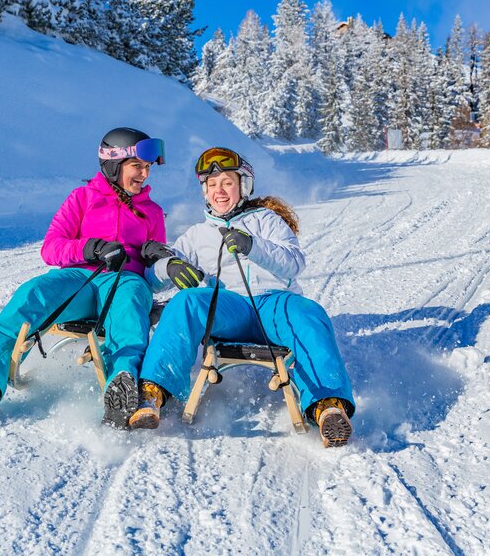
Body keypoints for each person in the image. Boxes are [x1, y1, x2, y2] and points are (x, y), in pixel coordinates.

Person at [130, 147, 355, 447]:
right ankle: (153, 394)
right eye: (211, 185)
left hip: (274, 303)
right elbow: (153, 280)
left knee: (307, 313)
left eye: (226, 182)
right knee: (185, 302)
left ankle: (328, 406)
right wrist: (167, 266)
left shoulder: (267, 220)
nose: (218, 191)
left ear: (243, 185)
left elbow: (294, 263)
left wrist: (252, 246)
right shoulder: (197, 235)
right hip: (229, 308)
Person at [0, 127, 166, 428]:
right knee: (34, 293)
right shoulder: (82, 198)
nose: (144, 174)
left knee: (129, 312)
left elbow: (156, 273)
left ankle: (121, 388)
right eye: (137, 166)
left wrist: (158, 257)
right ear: (114, 166)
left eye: (147, 168)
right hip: (80, 277)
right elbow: (51, 248)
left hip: (125, 281)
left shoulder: (152, 212)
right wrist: (91, 247)